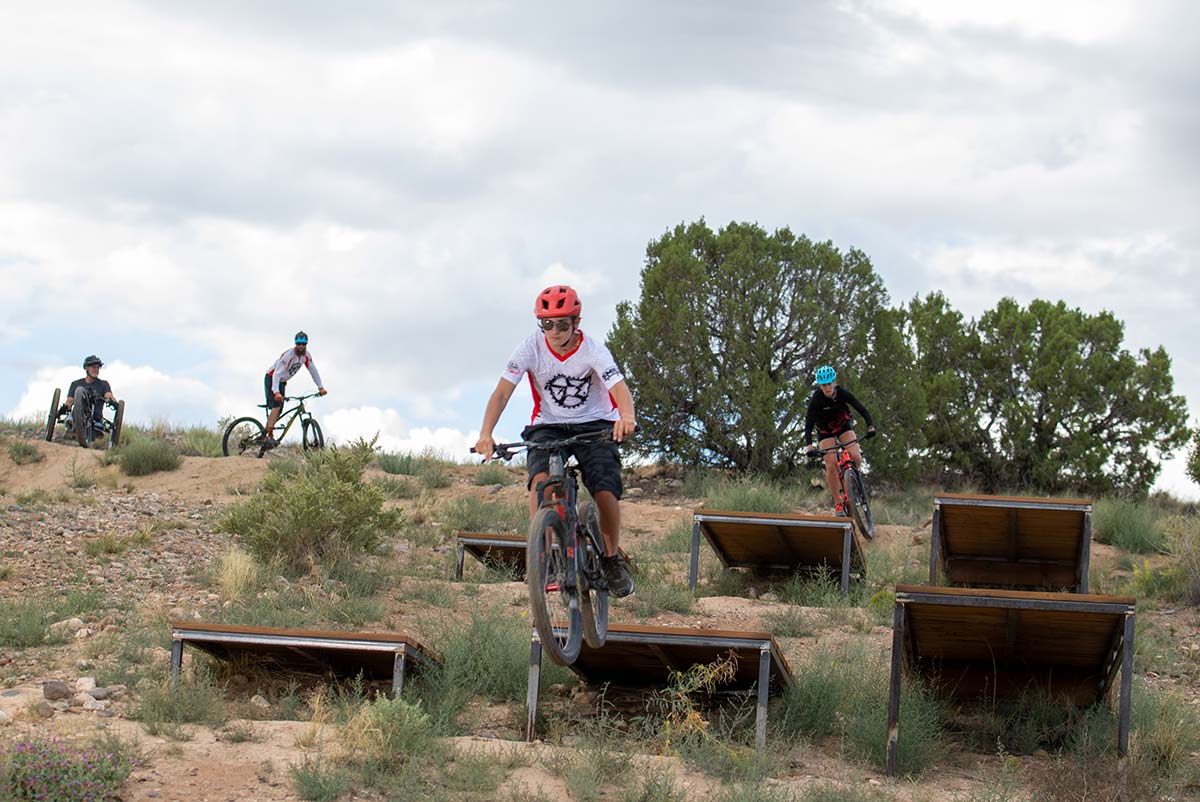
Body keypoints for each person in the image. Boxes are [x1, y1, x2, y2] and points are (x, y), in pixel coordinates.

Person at [474, 285, 637, 597]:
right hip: (548, 424)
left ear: (576, 322)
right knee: (541, 481)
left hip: (595, 423)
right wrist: (486, 433)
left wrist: (626, 417)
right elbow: (502, 392)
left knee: (604, 488)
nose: (555, 330)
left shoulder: (593, 350)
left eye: (563, 323)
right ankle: (546, 556)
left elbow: (619, 387)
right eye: (547, 323)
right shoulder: (529, 348)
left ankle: (612, 558)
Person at [804, 365, 876, 516]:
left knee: (856, 456)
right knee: (830, 464)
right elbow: (809, 422)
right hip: (825, 431)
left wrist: (870, 426)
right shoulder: (817, 399)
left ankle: (851, 481)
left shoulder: (842, 393)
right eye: (824, 385)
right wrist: (809, 444)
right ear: (820, 386)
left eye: (830, 383)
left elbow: (862, 409)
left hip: (843, 426)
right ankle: (838, 502)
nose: (828, 387)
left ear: (834, 382)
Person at [264, 331, 327, 446]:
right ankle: (269, 436)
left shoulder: (306, 356)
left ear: (306, 344)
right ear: (295, 343)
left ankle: (266, 431)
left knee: (280, 409)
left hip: (282, 382)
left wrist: (321, 387)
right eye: (299, 344)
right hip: (272, 378)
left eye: (303, 344)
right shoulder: (288, 355)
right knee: (276, 406)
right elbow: (276, 374)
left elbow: (313, 371)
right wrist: (276, 392)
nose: (301, 346)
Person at [63, 355, 119, 434]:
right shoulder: (75, 384)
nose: (96, 370)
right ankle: (71, 420)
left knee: (98, 430)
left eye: (98, 368)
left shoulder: (103, 384)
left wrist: (112, 401)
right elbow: (69, 401)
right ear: (86, 368)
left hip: (96, 418)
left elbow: (108, 395)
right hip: (77, 416)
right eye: (93, 367)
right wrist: (64, 408)